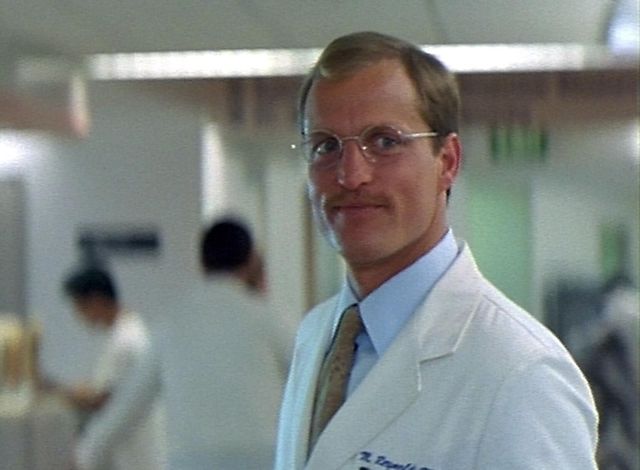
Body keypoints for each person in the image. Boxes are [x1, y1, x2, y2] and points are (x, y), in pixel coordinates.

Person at [275, 31, 598, 469]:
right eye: (325, 146)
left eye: (385, 141)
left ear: (447, 161)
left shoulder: (520, 373)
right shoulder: (317, 336)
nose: (351, 175)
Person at [60, 266, 166, 470]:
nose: (78, 315)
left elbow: (104, 400)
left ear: (96, 300)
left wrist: (66, 394)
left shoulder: (125, 341)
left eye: (80, 306)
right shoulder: (127, 332)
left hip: (138, 450)